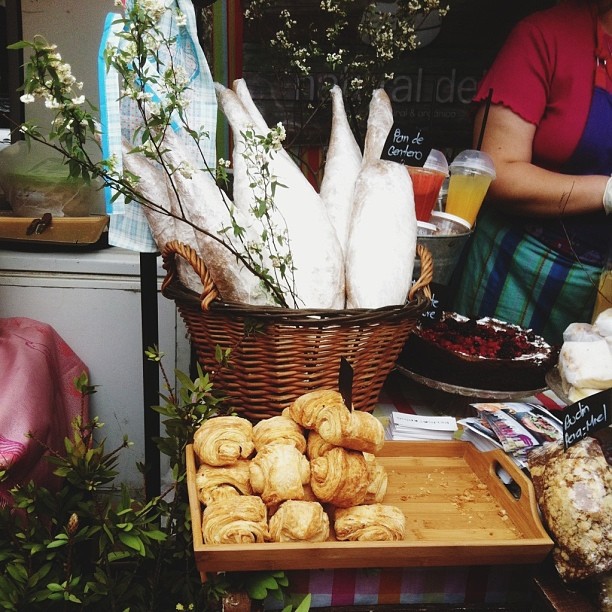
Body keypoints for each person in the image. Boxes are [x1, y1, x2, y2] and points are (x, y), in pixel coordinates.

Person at [452, 0, 612, 345]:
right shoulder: (543, 37)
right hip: (523, 273)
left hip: (606, 298)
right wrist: (606, 192)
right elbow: (497, 173)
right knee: (497, 390)